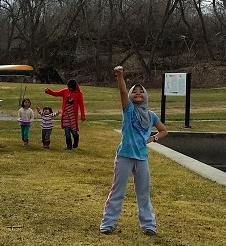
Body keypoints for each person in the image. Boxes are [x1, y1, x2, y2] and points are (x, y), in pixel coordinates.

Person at [100, 66, 168, 236]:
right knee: (118, 191)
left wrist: (153, 138)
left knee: (143, 193)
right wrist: (120, 76)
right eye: (134, 91)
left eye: (141, 91)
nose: (138, 93)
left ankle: (149, 225)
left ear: (146, 96)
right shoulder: (129, 110)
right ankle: (108, 223)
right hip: (124, 156)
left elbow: (164, 130)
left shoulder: (151, 115)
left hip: (142, 158)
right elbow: (122, 92)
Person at [45, 79, 86, 149]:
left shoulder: (79, 94)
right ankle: (69, 146)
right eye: (68, 87)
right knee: (67, 132)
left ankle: (76, 141)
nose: (69, 89)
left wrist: (83, 116)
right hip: (66, 116)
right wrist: (49, 91)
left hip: (73, 116)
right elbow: (56, 93)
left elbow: (81, 106)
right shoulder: (65, 91)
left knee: (74, 132)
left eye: (71, 87)